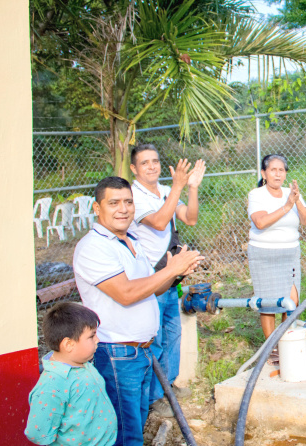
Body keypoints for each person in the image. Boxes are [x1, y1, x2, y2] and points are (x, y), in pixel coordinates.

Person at [73, 176, 202, 446]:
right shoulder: (93, 247)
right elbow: (126, 293)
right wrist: (170, 270)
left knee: (137, 425)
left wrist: (175, 274)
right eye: (114, 203)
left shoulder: (131, 240)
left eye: (129, 202)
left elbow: (151, 290)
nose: (123, 209)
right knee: (125, 434)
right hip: (116, 354)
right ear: (97, 209)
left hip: (141, 352)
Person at [127, 144, 206, 416]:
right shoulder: (134, 196)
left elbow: (190, 218)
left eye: (155, 161)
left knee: (173, 334)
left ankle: (168, 387)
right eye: (145, 162)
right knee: (156, 339)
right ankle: (153, 398)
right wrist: (177, 188)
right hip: (151, 279)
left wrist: (191, 187)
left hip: (170, 276)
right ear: (134, 169)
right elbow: (160, 222)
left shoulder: (163, 191)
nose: (152, 166)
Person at [248, 154, 306, 364]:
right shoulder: (256, 194)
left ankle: (287, 340)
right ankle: (271, 348)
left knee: (291, 301)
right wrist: (286, 206)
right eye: (273, 170)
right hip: (264, 254)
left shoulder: (291, 193)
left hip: (290, 253)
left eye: (281, 170)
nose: (278, 174)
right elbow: (260, 222)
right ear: (264, 174)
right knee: (269, 303)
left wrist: (296, 201)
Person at [24, 302, 117, 446]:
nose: (97, 340)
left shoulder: (83, 364)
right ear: (68, 345)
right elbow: (37, 432)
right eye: (92, 336)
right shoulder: (53, 384)